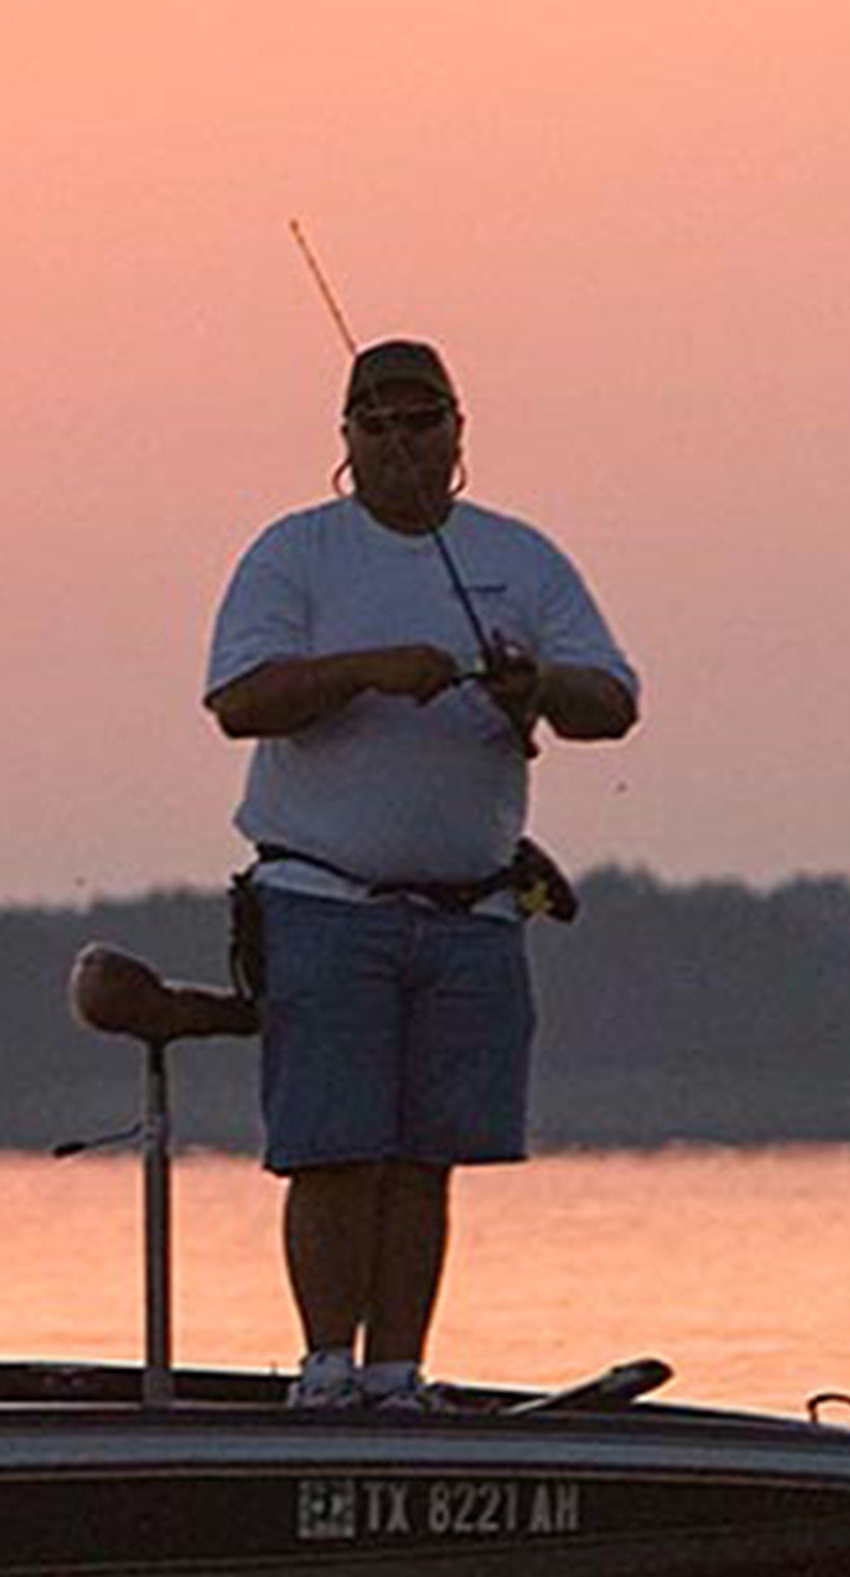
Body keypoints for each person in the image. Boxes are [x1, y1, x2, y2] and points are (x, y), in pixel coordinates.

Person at [205, 335, 637, 1408]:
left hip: (474, 912)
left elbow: (613, 703)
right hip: (322, 901)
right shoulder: (295, 553)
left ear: (458, 431)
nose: (401, 442)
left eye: (422, 421)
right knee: (333, 1151)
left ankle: (398, 1374)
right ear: (346, 441)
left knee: (424, 1158)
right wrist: (366, 673)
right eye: (378, 425)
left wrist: (536, 689)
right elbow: (238, 702)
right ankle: (325, 1371)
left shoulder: (522, 558)